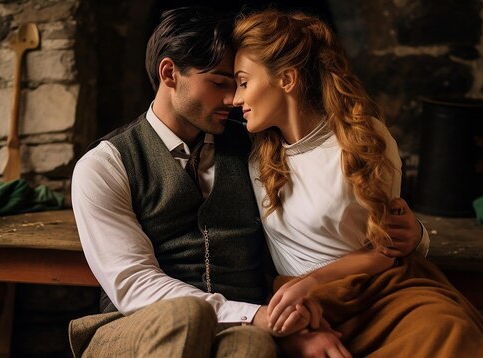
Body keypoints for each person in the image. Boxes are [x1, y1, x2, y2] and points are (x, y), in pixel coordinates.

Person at [68, 6, 424, 358]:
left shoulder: (254, 145)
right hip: (133, 327)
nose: (233, 100)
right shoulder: (103, 166)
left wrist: (410, 231)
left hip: (243, 328)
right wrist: (257, 316)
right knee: (188, 316)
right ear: (169, 73)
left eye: (239, 83)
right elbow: (133, 285)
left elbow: (314, 198)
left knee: (251, 347)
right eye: (220, 83)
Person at [231, 8, 483, 358]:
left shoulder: (363, 139)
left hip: (381, 291)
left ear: (287, 80)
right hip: (308, 304)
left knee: (450, 330)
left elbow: (384, 252)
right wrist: (301, 294)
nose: (235, 98)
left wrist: (315, 280)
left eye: (243, 82)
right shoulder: (254, 155)